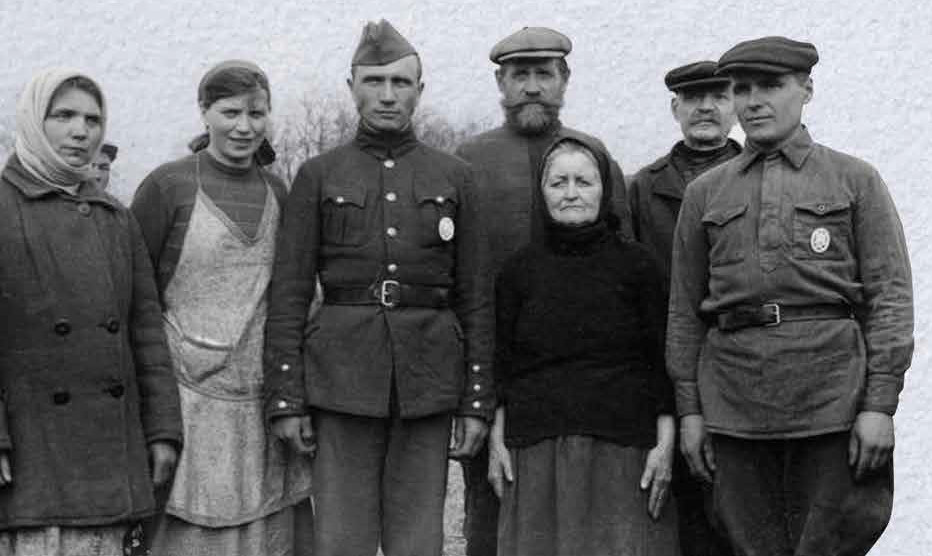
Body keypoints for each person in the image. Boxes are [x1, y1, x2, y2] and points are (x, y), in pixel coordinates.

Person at [667, 36, 913, 555]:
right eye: (742, 88)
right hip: (734, 404)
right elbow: (685, 312)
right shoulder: (705, 193)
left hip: (831, 401)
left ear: (806, 90)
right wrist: (690, 412)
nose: (753, 101)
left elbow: (890, 299)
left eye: (771, 86)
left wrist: (880, 405)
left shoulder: (854, 180)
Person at [263, 19, 493, 556]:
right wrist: (287, 397)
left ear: (419, 90)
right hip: (341, 379)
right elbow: (289, 293)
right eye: (374, 81)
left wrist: (476, 400)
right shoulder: (319, 175)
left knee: (418, 541)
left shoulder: (455, 176)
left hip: (428, 377)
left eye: (400, 82)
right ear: (352, 88)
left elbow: (476, 297)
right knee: (342, 540)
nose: (388, 95)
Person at [453, 27, 632, 556]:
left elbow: (624, 269)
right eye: (520, 75)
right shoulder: (469, 161)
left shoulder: (594, 157)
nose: (532, 87)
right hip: (494, 362)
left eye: (544, 74)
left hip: (583, 375)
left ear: (564, 79)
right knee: (490, 509)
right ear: (501, 83)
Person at [131, 60, 312, 556]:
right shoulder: (168, 186)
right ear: (204, 112)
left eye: (256, 113)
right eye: (230, 113)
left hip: (257, 398)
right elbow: (136, 299)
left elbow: (289, 295)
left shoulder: (278, 191)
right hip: (185, 399)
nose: (244, 127)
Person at [0, 68, 182, 556]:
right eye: (64, 116)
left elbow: (147, 333)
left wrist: (162, 430)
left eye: (92, 119)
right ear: (33, 121)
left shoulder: (115, 218)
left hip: (110, 456)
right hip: (29, 454)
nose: (81, 131)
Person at [489, 135, 679, 556]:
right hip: (536, 446)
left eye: (584, 182)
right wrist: (497, 440)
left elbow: (660, 362)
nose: (571, 193)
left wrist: (665, 446)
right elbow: (504, 364)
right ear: (542, 192)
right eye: (558, 183)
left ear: (604, 190)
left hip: (623, 447)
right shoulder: (518, 271)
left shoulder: (639, 267)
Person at [627, 60, 739, 556]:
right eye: (693, 98)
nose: (706, 108)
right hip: (666, 367)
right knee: (676, 510)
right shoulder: (643, 188)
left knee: (738, 507)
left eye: (718, 96)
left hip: (739, 365)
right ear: (676, 109)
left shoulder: (757, 175)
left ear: (735, 106)